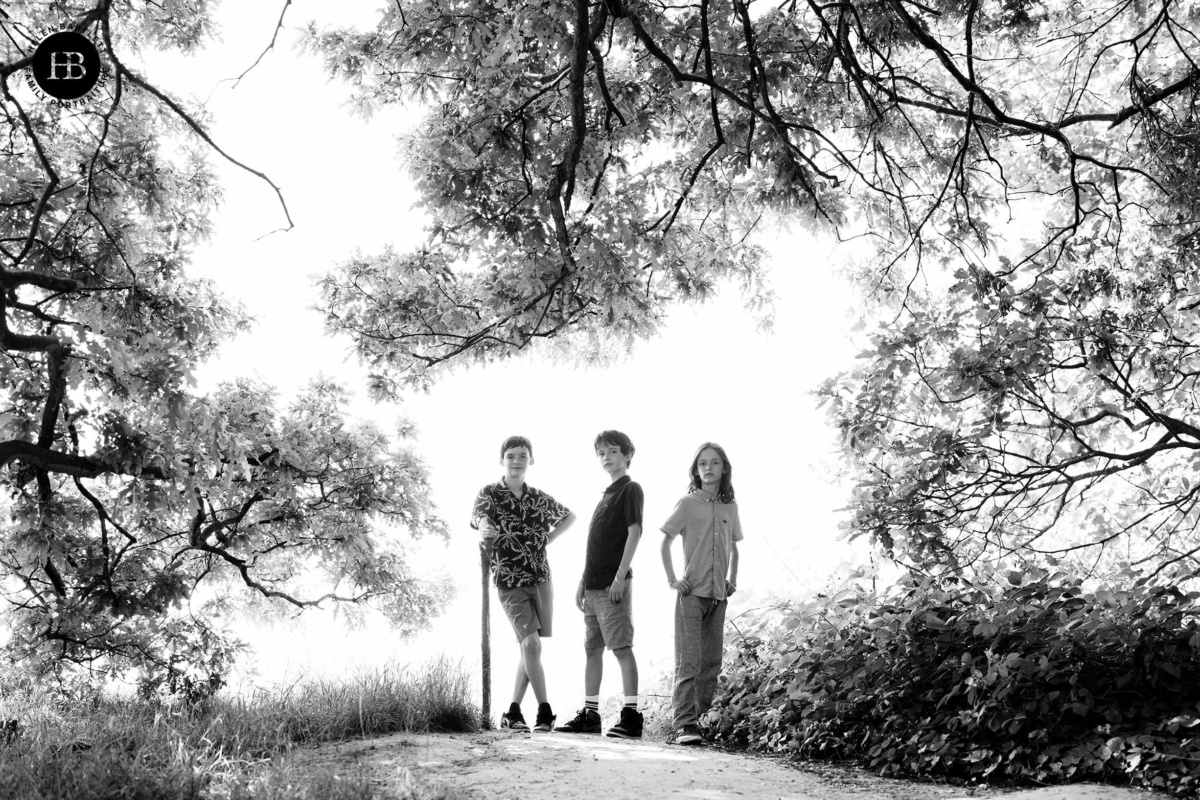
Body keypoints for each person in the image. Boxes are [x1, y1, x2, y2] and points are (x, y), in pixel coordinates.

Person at [471, 435, 577, 732]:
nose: (516, 461)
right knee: (530, 644)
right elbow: (479, 517)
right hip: (508, 579)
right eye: (511, 456)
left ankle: (512, 713)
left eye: (522, 456)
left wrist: (550, 538)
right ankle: (545, 711)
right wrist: (484, 529)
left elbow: (569, 516)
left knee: (529, 648)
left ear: (531, 460)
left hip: (541, 578)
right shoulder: (490, 493)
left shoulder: (539, 498)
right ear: (502, 460)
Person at [554, 430, 645, 739]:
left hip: (612, 587)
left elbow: (635, 533)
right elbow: (597, 544)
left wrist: (619, 577)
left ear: (627, 455)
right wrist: (582, 580)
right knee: (592, 650)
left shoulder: (630, 489)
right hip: (592, 587)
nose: (607, 457)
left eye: (613, 451)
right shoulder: (605, 495)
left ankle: (631, 717)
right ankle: (591, 715)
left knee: (621, 648)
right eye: (602, 453)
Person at [660, 442, 743, 746]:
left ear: (724, 468)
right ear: (696, 470)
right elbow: (665, 542)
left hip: (718, 596)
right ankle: (684, 725)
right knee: (689, 662)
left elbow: (734, 546)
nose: (709, 468)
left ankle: (701, 721)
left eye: (715, 463)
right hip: (692, 595)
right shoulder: (686, 504)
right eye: (703, 464)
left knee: (711, 663)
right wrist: (673, 580)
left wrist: (732, 579)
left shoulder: (729, 507)